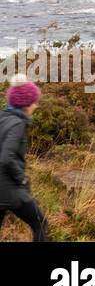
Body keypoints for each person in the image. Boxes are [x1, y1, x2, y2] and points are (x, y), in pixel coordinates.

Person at [0, 76, 48, 241]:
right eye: (34, 101)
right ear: (26, 103)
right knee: (40, 223)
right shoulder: (17, 124)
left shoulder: (2, 118)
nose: (36, 105)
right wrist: (22, 179)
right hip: (9, 190)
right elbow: (6, 158)